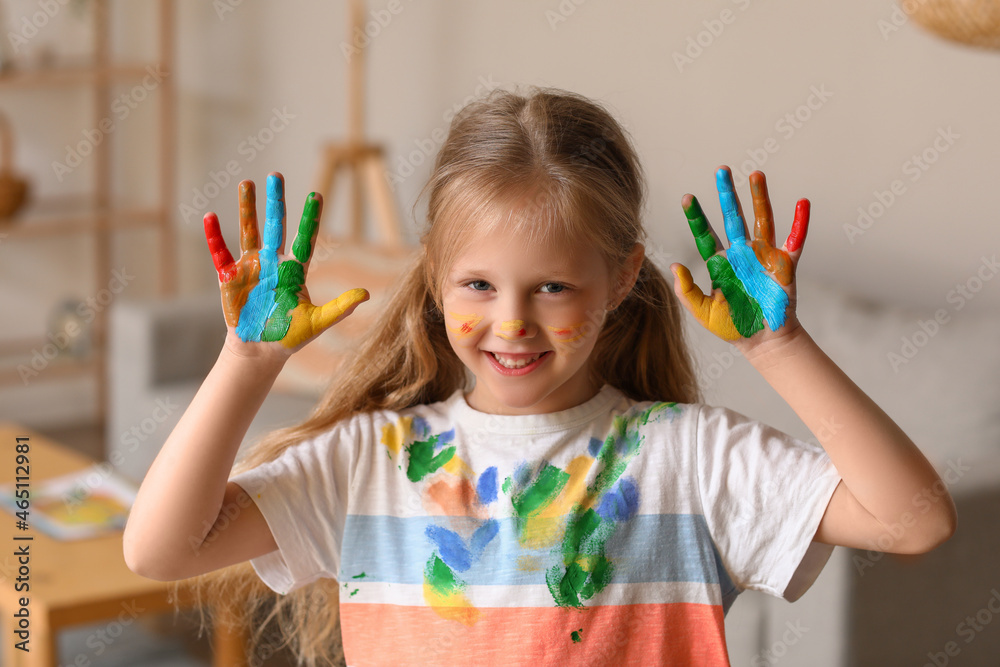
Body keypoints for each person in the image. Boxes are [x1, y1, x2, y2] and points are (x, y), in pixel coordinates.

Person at [123, 87, 956, 666]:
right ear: (437, 275)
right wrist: (244, 363)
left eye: (552, 286)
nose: (512, 321)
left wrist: (780, 348)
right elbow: (160, 547)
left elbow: (913, 520)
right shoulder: (371, 459)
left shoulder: (687, 457)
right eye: (478, 285)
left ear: (622, 279)